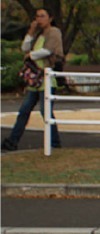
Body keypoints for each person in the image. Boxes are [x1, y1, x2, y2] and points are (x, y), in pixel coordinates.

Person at [4, 9, 64, 151]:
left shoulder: (53, 32)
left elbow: (48, 51)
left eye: (42, 16)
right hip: (34, 79)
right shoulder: (38, 34)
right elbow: (24, 47)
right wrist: (30, 32)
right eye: (37, 16)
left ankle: (55, 142)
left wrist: (30, 55)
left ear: (50, 18)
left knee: (45, 112)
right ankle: (13, 141)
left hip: (46, 77)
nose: (39, 19)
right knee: (24, 110)